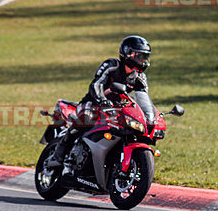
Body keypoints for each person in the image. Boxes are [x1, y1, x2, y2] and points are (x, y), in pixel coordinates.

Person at [49, 35, 152, 175]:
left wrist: (148, 115)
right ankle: (58, 155)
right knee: (85, 120)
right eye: (139, 56)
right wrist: (102, 99)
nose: (143, 61)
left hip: (116, 110)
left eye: (145, 57)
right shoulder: (112, 65)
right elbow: (96, 84)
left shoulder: (140, 78)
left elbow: (143, 98)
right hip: (93, 103)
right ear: (127, 53)